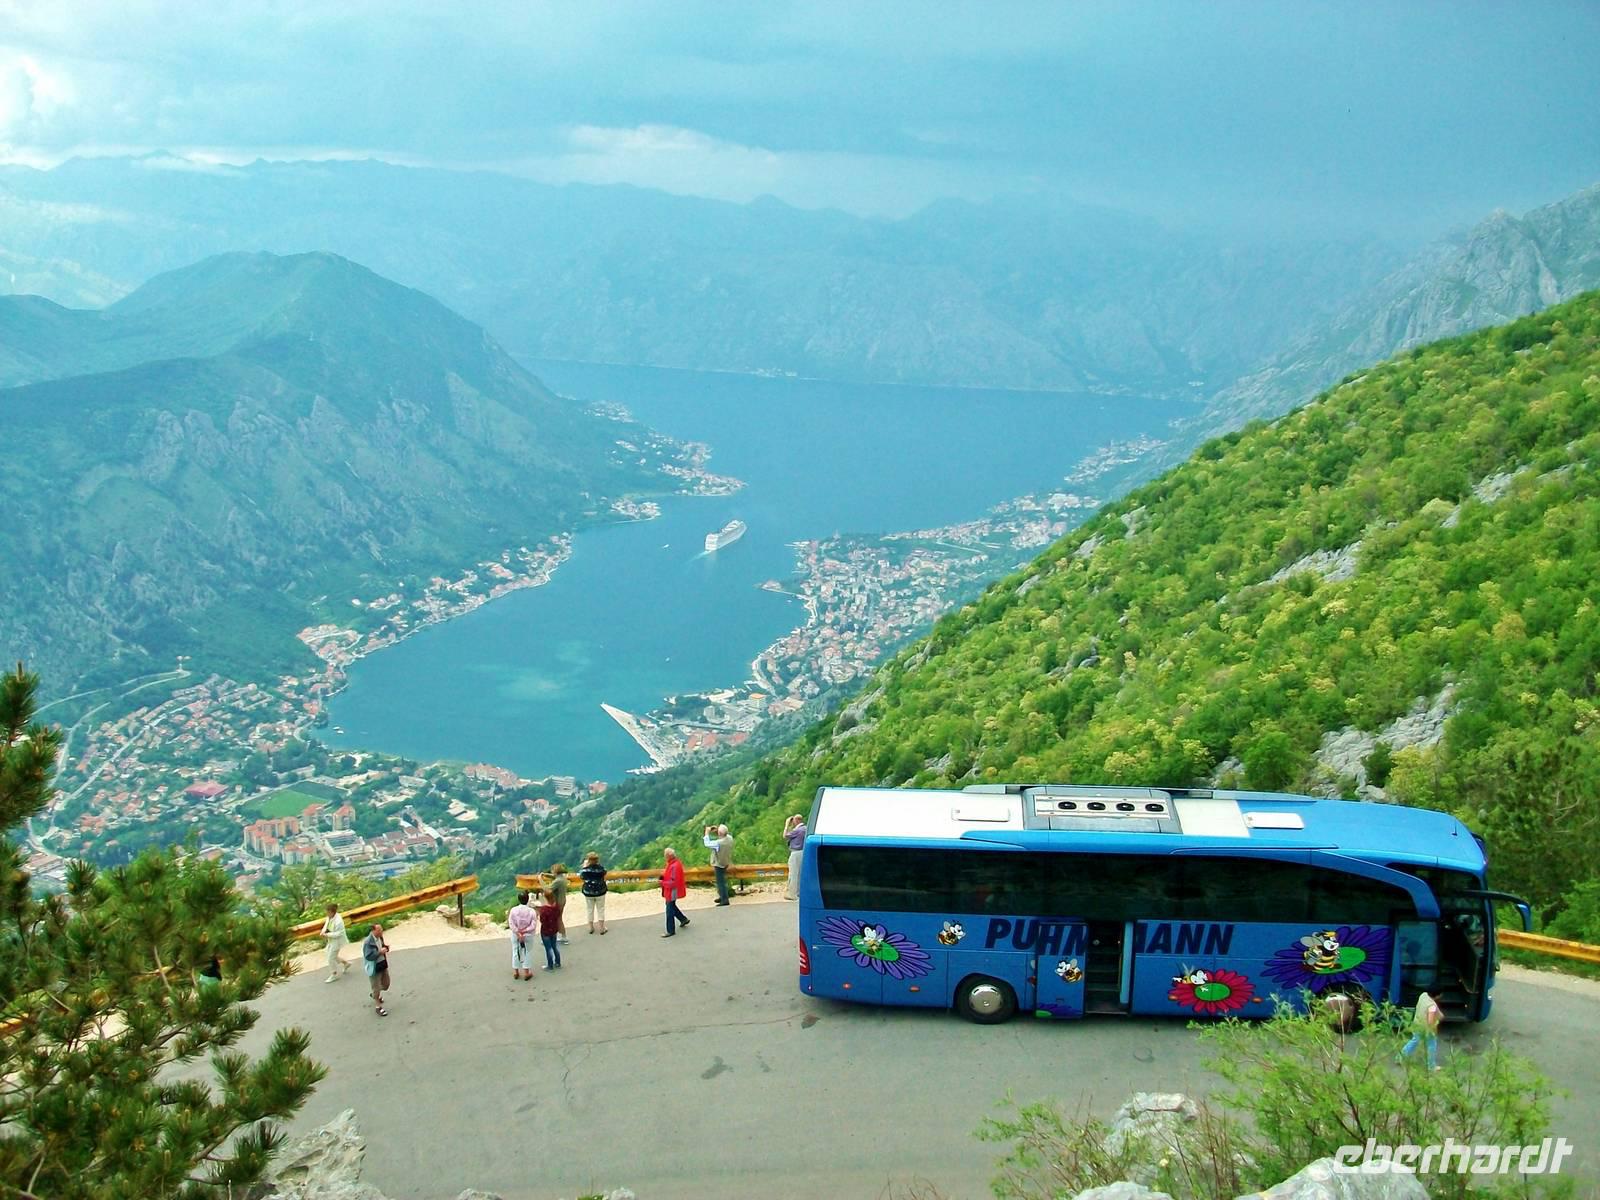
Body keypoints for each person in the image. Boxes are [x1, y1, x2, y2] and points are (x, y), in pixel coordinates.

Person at [1401, 990, 1443, 1070]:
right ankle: (1431, 1066)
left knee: (1414, 1041)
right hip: (1426, 1028)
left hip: (1417, 1023)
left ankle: (1401, 1057)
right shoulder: (1432, 1006)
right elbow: (1430, 1021)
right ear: (1437, 995)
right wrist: (1434, 1030)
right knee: (1431, 1045)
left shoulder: (1423, 995)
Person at [508, 889, 538, 980]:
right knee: (527, 952)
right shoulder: (532, 911)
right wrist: (525, 931)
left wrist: (518, 932)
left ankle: (516, 971)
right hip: (528, 935)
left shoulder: (513, 910)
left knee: (515, 951)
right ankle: (526, 972)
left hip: (516, 934)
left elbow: (511, 923)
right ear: (527, 899)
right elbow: (533, 925)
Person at [660, 847, 690, 937]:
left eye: (665, 855)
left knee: (669, 910)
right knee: (671, 906)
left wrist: (662, 882)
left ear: (669, 856)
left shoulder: (673, 866)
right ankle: (683, 919)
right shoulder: (675, 863)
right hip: (672, 890)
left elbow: (673, 882)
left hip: (672, 891)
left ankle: (670, 930)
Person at [364, 923, 391, 1017]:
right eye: (379, 930)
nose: (381, 932)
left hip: (383, 964)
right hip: (374, 967)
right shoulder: (368, 942)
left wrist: (385, 947)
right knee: (376, 987)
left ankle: (375, 994)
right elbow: (368, 956)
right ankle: (378, 1007)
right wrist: (379, 952)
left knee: (386, 984)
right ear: (373, 930)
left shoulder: (380, 937)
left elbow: (381, 945)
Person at [703, 823, 734, 905]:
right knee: (722, 881)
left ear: (720, 833)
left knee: (721, 882)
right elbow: (724, 835)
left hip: (719, 863)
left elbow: (707, 844)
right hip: (726, 861)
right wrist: (718, 831)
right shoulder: (730, 838)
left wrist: (707, 832)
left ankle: (725, 900)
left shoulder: (718, 843)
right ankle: (722, 896)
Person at [580, 851, 609, 935]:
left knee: (589, 909)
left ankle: (591, 928)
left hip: (588, 892)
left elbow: (581, 876)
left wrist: (585, 866)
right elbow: (605, 872)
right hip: (600, 891)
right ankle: (602, 928)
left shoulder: (585, 870)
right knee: (601, 909)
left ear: (588, 860)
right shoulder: (601, 869)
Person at [321, 903, 350, 982]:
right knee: (329, 954)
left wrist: (327, 935)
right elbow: (326, 925)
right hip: (331, 940)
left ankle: (334, 974)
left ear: (332, 912)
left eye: (328, 912)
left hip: (337, 941)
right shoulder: (329, 917)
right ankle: (346, 963)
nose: (327, 914)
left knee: (330, 958)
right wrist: (323, 932)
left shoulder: (338, 921)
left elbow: (338, 934)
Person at [782, 814, 807, 901]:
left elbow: (785, 836)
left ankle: (792, 894)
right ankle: (799, 892)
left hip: (795, 852)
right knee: (800, 873)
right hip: (803, 852)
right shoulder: (806, 829)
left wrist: (786, 825)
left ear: (796, 821)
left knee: (793, 873)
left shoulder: (797, 830)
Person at [537, 889, 562, 970]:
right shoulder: (556, 906)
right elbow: (558, 915)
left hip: (546, 931)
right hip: (554, 929)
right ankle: (558, 962)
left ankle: (550, 965)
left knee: (548, 948)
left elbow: (542, 920)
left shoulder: (544, 909)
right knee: (554, 946)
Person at [549, 864, 572, 944]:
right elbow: (554, 877)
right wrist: (545, 875)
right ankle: (562, 936)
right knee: (558, 919)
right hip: (562, 900)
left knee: (557, 919)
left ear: (555, 871)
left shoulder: (557, 881)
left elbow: (548, 889)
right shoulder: (562, 878)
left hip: (558, 902)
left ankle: (563, 937)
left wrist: (540, 880)